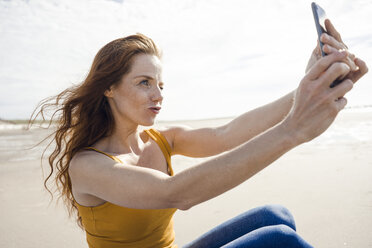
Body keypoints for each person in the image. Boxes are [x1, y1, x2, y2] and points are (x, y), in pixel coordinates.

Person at [31, 19, 367, 248]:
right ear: (109, 88)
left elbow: (228, 134)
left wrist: (308, 85)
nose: (158, 94)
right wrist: (293, 130)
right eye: (144, 82)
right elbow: (176, 193)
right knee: (280, 239)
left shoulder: (162, 139)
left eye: (160, 84)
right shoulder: (88, 164)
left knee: (276, 216)